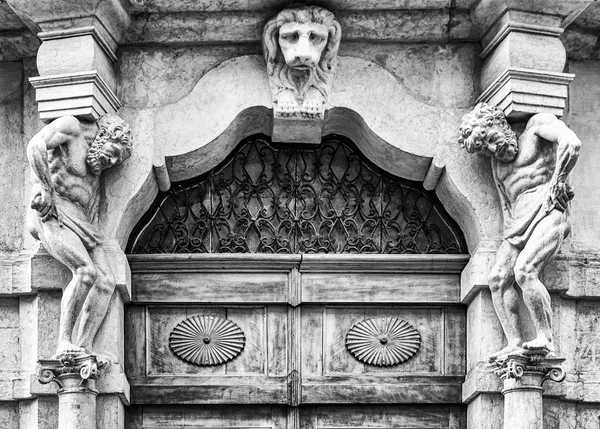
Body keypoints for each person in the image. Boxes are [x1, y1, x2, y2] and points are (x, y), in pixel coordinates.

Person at [458, 103, 581, 360]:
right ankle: (515, 342)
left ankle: (545, 338)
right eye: (485, 149)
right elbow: (506, 204)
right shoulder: (498, 166)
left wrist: (558, 181)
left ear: (501, 124)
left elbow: (572, 143)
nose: (493, 149)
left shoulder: (536, 128)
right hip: (518, 223)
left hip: (549, 210)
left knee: (524, 271)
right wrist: (510, 237)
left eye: (492, 139)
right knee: (498, 278)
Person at [27, 114, 132, 358]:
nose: (113, 160)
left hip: (82, 221)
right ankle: (63, 341)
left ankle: (84, 347)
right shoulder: (72, 128)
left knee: (106, 281)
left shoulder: (95, 170)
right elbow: (35, 145)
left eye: (117, 159)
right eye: (114, 151)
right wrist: (44, 188)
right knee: (86, 272)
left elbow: (91, 206)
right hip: (54, 211)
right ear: (104, 136)